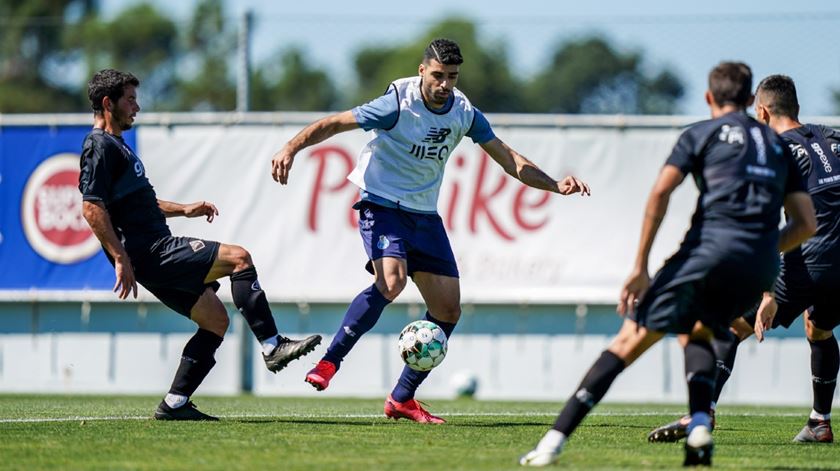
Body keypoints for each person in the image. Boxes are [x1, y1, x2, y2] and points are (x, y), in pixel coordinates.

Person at [270, 38, 590, 423]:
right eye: (438, 75)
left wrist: (555, 184)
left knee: (448, 309)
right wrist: (290, 148)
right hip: (382, 204)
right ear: (423, 70)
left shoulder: (465, 112)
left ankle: (402, 398)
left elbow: (510, 160)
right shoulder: (397, 103)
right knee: (392, 282)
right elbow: (334, 123)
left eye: (451, 77)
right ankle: (329, 362)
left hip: (424, 216)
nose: (444, 84)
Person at [519, 62, 817, 467]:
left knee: (628, 341)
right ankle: (698, 426)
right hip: (759, 269)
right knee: (697, 332)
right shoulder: (780, 146)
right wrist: (763, 248)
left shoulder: (701, 133)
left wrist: (640, 267)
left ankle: (552, 442)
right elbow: (806, 224)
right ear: (750, 101)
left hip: (706, 254)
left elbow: (660, 194)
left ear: (709, 98)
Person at [79, 69, 322, 421]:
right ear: (107, 103)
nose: (137, 107)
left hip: (149, 251)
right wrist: (120, 257)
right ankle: (273, 345)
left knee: (215, 321)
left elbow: (137, 203)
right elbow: (91, 207)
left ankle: (175, 403)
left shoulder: (116, 145)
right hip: (152, 251)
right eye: (130, 99)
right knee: (239, 258)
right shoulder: (99, 145)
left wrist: (184, 209)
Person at [648, 74, 840, 444]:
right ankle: (819, 422)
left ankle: (702, 414)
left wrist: (768, 289)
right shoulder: (833, 139)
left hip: (810, 260)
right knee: (820, 329)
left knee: (729, 325)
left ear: (763, 111)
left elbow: (771, 222)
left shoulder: (775, 150)